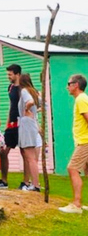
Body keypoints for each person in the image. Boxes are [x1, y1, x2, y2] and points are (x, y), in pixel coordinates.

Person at [0, 64, 29, 189]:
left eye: (10, 74)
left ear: (17, 74)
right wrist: (7, 123)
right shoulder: (10, 88)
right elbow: (11, 106)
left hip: (23, 124)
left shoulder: (24, 88)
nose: (8, 76)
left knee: (24, 152)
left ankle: (26, 182)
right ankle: (4, 181)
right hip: (12, 125)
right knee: (3, 151)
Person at [59, 74, 88, 213]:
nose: (67, 86)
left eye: (69, 83)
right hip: (83, 141)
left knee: (72, 168)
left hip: (85, 142)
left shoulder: (81, 99)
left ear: (76, 85)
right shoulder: (82, 99)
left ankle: (76, 205)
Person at [17, 73, 41, 192]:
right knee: (31, 157)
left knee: (30, 157)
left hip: (26, 123)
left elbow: (30, 102)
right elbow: (41, 103)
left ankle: (35, 185)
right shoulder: (34, 91)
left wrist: (26, 109)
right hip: (32, 123)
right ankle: (36, 184)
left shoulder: (25, 91)